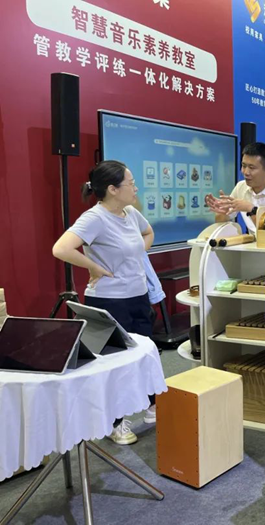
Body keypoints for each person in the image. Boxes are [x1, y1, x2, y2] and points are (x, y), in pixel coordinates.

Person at [52, 160, 160, 446]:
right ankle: (115, 422)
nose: (135, 188)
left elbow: (148, 233)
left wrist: (134, 254)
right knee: (115, 362)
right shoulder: (94, 218)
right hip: (109, 300)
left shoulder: (130, 213)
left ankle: (152, 405)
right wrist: (94, 267)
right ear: (112, 189)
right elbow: (61, 248)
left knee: (146, 354)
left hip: (138, 295)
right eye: (131, 183)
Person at [205, 142, 265, 231]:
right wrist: (223, 212)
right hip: (251, 240)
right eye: (243, 166)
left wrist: (251, 209)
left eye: (252, 167)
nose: (246, 172)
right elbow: (220, 221)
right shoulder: (241, 187)